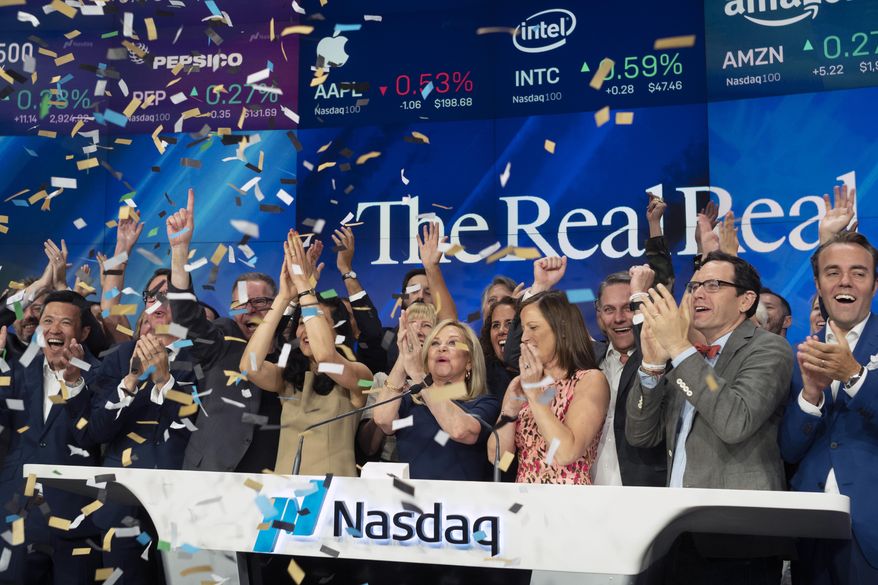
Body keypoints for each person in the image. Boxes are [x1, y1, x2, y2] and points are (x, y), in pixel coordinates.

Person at [626, 251, 793, 584]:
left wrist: (679, 348)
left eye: (713, 285)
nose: (698, 293)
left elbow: (735, 421)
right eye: (694, 285)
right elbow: (641, 435)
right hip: (674, 535)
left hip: (738, 541)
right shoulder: (688, 356)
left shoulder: (769, 349)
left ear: (746, 300)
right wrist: (653, 366)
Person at [73, 268, 196, 585]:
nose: (159, 304)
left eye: (168, 297)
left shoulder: (205, 355)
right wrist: (130, 382)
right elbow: (95, 431)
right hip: (120, 504)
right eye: (151, 297)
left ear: (187, 302)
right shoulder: (119, 357)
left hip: (185, 505)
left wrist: (164, 380)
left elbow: (203, 421)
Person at [779, 231, 878, 584]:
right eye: (832, 272)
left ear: (875, 284)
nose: (845, 281)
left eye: (859, 272)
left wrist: (853, 375)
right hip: (811, 536)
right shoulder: (800, 353)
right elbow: (788, 450)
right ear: (819, 286)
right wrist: (809, 396)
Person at [164, 189, 283, 473]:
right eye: (241, 304)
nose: (250, 310)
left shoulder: (290, 350)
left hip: (269, 482)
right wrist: (179, 255)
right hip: (211, 475)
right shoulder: (219, 340)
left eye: (260, 302)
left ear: (276, 304)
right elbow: (186, 316)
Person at [242, 230, 371, 476]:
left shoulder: (361, 377)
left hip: (332, 501)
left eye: (318, 320)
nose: (306, 329)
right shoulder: (288, 380)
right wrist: (283, 297)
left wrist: (304, 286)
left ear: (338, 332)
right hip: (284, 499)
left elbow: (326, 358)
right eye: (302, 323)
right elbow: (249, 366)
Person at [0, 291, 102, 585]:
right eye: (47, 320)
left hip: (76, 518)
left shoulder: (102, 376)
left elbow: (93, 434)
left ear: (83, 332)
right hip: (16, 512)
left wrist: (74, 384)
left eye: (65, 322)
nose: (54, 329)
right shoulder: (17, 372)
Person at [489, 291, 609, 484]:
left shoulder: (590, 381)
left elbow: (566, 453)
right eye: (523, 329)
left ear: (561, 329)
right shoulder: (523, 384)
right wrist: (509, 412)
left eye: (533, 327)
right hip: (526, 504)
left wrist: (535, 394)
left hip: (568, 504)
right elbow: (500, 460)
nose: (524, 338)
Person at [373, 318, 500, 480]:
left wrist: (420, 375)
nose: (442, 348)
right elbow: (383, 420)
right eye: (434, 343)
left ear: (469, 361)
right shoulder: (411, 402)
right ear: (426, 357)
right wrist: (403, 358)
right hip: (411, 501)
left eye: (453, 343)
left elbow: (460, 431)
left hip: (460, 502)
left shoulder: (485, 403)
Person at [591, 266, 667, 487]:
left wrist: (640, 297)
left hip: (644, 490)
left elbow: (651, 348)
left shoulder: (665, 359)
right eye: (609, 309)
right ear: (599, 315)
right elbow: (514, 355)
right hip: (589, 489)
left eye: (628, 308)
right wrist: (539, 288)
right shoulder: (589, 359)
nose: (618, 318)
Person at [380, 222, 458, 372]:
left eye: (428, 292)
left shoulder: (444, 333)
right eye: (414, 290)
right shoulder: (388, 336)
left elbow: (450, 321)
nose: (420, 296)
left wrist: (431, 267)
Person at [479, 297, 517, 398]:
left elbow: (544, 402)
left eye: (509, 324)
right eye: (496, 325)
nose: (501, 331)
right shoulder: (481, 371)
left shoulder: (546, 375)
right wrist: (435, 394)